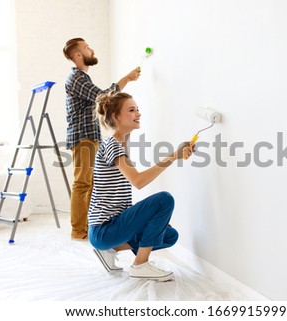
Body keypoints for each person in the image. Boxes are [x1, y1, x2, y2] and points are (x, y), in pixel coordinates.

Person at [88, 92, 194, 282]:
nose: (138, 113)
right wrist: (173, 156)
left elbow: (118, 198)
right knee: (164, 199)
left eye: (137, 109)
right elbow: (138, 181)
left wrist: (152, 221)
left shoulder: (121, 144)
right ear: (115, 116)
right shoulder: (112, 145)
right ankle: (140, 265)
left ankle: (110, 249)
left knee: (169, 235)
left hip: (108, 230)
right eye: (131, 110)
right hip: (103, 230)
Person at [63, 38, 140, 240]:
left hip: (89, 137)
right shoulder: (76, 78)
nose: (91, 49)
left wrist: (126, 80)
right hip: (83, 137)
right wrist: (126, 79)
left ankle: (85, 228)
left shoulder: (82, 78)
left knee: (89, 182)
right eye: (87, 47)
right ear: (78, 55)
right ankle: (78, 230)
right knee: (82, 183)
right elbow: (103, 97)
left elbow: (104, 97)